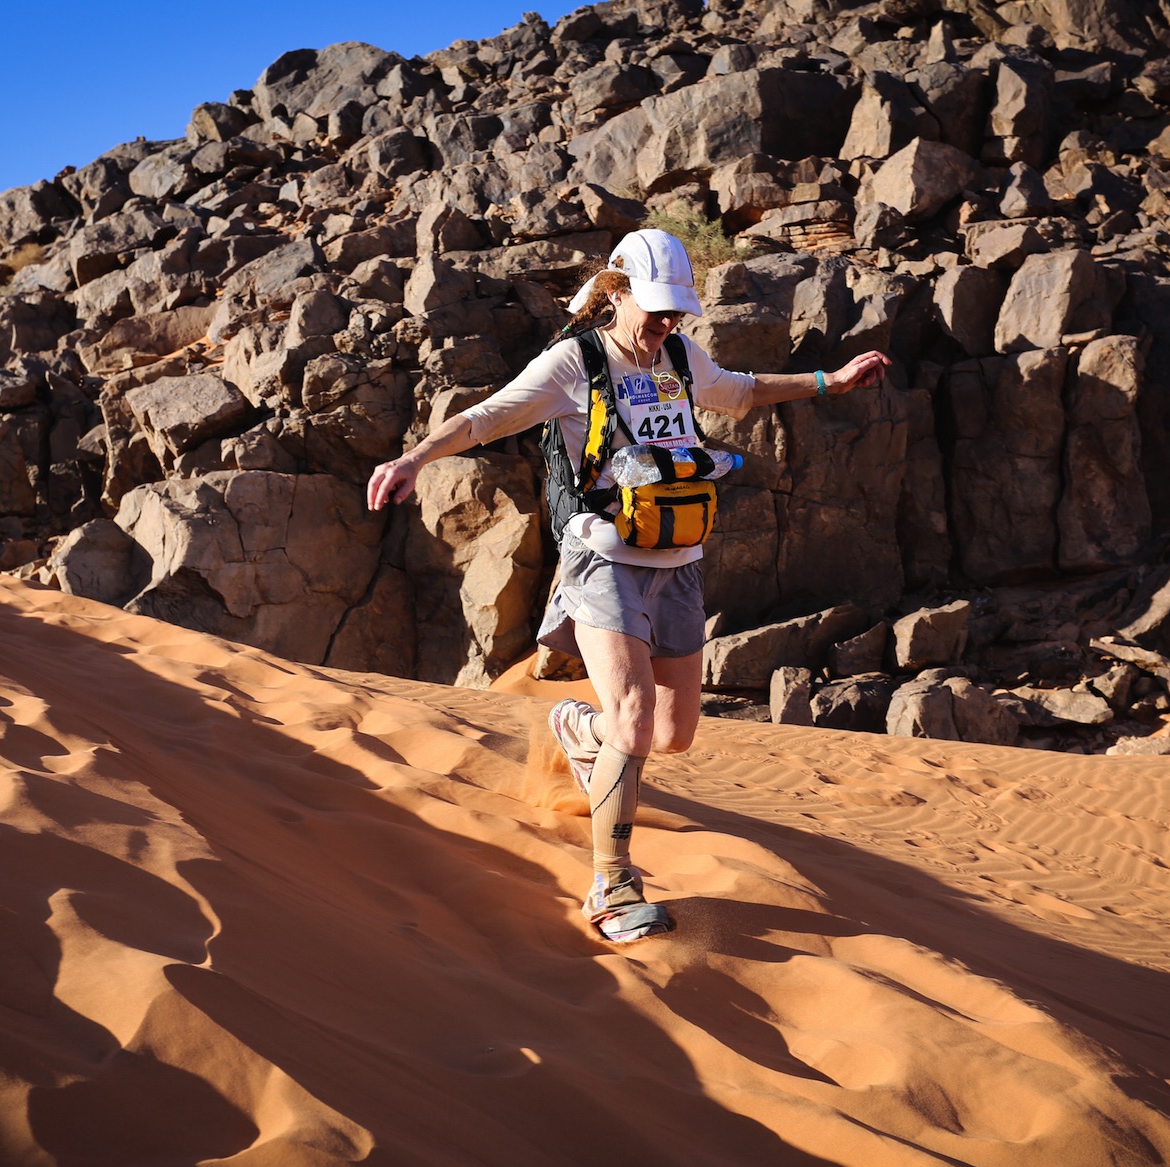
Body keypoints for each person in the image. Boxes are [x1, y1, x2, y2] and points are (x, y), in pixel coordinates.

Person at [367, 229, 890, 942]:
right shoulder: (574, 362)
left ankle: (577, 728)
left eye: (677, 310)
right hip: (602, 558)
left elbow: (740, 392)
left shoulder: (679, 355)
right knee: (636, 719)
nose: (668, 322)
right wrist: (416, 458)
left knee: (671, 734)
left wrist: (830, 381)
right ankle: (611, 888)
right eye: (657, 308)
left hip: (678, 562)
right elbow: (487, 417)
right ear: (617, 293)